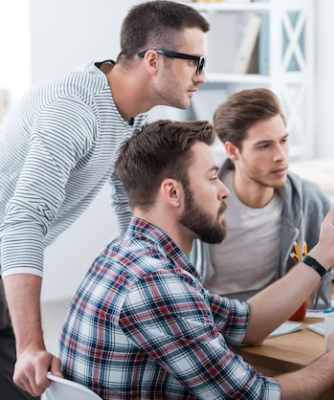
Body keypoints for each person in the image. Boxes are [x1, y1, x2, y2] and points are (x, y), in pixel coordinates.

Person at [59, 120, 334, 399]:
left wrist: (322, 255)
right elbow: (257, 397)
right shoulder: (155, 283)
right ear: (172, 192)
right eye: (212, 178)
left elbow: (247, 323)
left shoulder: (126, 255)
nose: (224, 190)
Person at [0, 2, 209, 397]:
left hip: (4, 264)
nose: (202, 76)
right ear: (153, 60)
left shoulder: (132, 113)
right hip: (7, 252)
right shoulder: (74, 110)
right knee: (29, 381)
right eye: (195, 62)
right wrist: (30, 344)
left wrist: (164, 285)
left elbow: (128, 203)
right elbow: (24, 221)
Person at [191, 88, 334, 303]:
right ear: (233, 151)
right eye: (265, 146)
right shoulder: (201, 200)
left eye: (283, 141)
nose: (280, 156)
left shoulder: (309, 198)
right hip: (213, 320)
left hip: (280, 321)